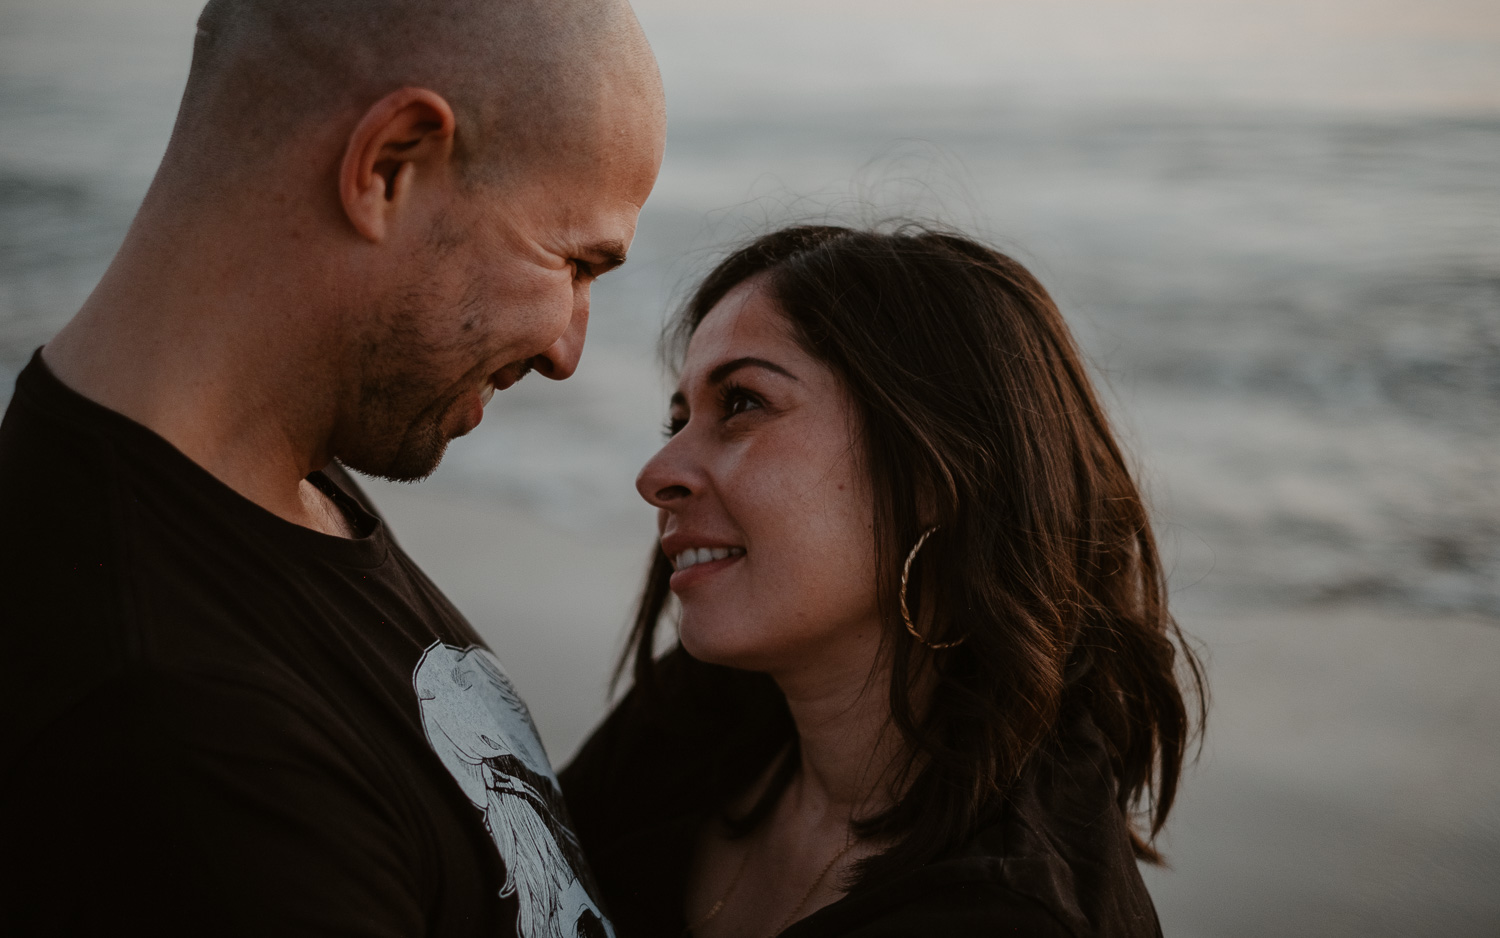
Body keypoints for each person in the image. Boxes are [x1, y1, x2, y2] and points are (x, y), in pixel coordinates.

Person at [0, 0, 664, 935]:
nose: (568, 352)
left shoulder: (284, 480)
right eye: (575, 262)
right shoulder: (181, 742)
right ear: (390, 166)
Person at [561, 225, 1205, 937]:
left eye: (742, 403)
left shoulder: (1007, 913)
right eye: (677, 422)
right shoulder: (696, 719)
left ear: (937, 474)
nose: (657, 476)